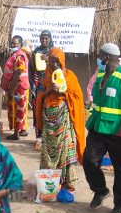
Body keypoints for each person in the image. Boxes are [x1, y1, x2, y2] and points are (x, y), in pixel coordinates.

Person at [83, 43, 121, 213]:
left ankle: (120, 202)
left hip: (120, 130)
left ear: (107, 58)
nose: (98, 59)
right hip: (98, 127)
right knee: (88, 160)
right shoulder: (100, 74)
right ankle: (100, 190)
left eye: (100, 55)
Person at [35, 48, 85, 191]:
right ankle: (49, 181)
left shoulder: (69, 76)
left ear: (62, 61)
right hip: (48, 119)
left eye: (58, 61)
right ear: (48, 61)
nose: (55, 64)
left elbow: (78, 96)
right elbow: (39, 98)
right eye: (52, 61)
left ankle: (67, 182)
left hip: (64, 119)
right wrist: (49, 90)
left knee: (67, 148)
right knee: (48, 151)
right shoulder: (44, 77)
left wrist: (63, 92)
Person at [29, 30, 54, 148]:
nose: (44, 41)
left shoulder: (54, 51)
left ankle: (50, 139)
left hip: (50, 86)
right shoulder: (37, 51)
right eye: (42, 38)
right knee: (37, 110)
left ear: (50, 38)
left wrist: (48, 59)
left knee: (49, 111)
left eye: (46, 38)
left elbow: (59, 66)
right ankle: (39, 139)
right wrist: (30, 55)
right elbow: (33, 68)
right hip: (38, 84)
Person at [3, 36, 31, 140]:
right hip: (20, 85)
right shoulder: (18, 54)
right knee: (22, 107)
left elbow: (18, 72)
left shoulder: (19, 56)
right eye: (12, 43)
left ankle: (16, 134)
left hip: (19, 86)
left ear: (20, 44)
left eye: (15, 44)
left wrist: (10, 90)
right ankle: (22, 130)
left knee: (18, 109)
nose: (13, 45)